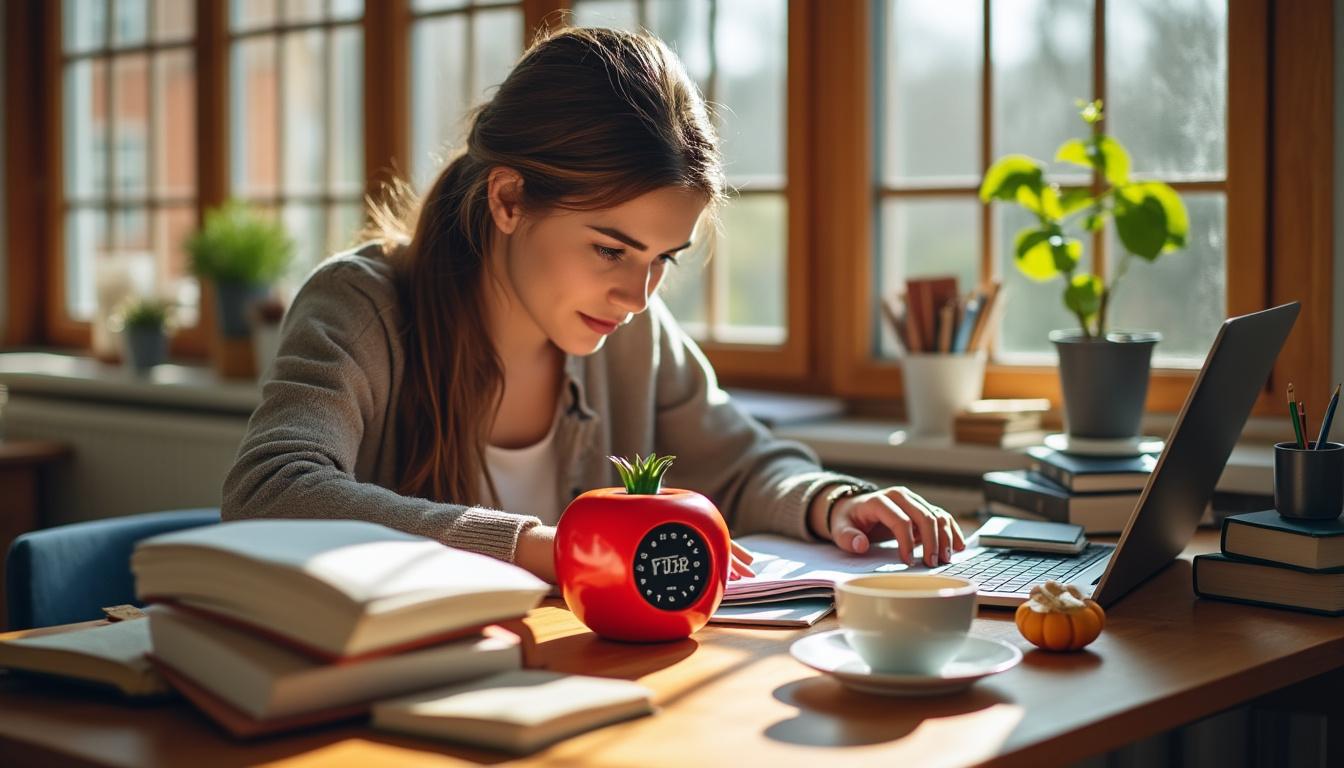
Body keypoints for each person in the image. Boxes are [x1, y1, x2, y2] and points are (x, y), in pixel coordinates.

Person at [221, 26, 966, 584]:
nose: (638, 296)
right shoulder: (362, 305)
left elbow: (739, 466)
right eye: (611, 250)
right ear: (509, 199)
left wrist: (831, 502)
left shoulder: (630, 333)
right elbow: (269, 490)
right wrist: (536, 545)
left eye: (661, 260)